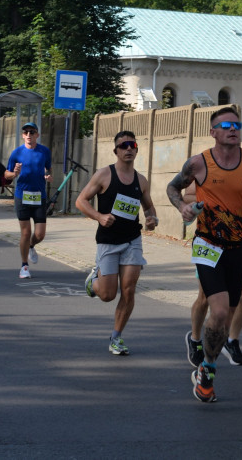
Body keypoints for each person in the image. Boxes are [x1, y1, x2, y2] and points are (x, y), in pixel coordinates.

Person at [166, 107, 242, 403]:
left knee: (230, 310)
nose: (233, 129)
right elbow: (172, 187)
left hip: (236, 247)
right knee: (217, 310)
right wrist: (181, 206)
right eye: (226, 125)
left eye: (237, 125)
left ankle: (207, 365)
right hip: (207, 244)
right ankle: (207, 373)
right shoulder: (198, 163)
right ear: (214, 132)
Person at [75, 131, 158, 356]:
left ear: (137, 148)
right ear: (116, 151)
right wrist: (99, 216)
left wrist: (152, 219)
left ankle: (116, 337)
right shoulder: (103, 175)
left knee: (129, 290)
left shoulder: (141, 180)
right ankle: (93, 282)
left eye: (132, 144)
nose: (128, 149)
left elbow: (149, 207)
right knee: (107, 295)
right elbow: (81, 201)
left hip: (132, 240)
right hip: (108, 242)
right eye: (123, 146)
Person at [184, 181, 242, 367]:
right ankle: (195, 339)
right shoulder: (206, 167)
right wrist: (213, 204)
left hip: (238, 242)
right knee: (205, 298)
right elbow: (187, 196)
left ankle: (231, 341)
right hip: (210, 241)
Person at [3, 122, 52, 279]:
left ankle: (31, 245)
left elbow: (48, 169)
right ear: (23, 135)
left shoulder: (44, 151)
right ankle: (24, 266)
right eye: (26, 132)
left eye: (32, 132)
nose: (29, 135)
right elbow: (6, 175)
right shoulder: (16, 153)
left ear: (37, 135)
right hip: (22, 196)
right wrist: (14, 173)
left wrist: (48, 175)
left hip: (39, 196)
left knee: (40, 234)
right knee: (26, 232)